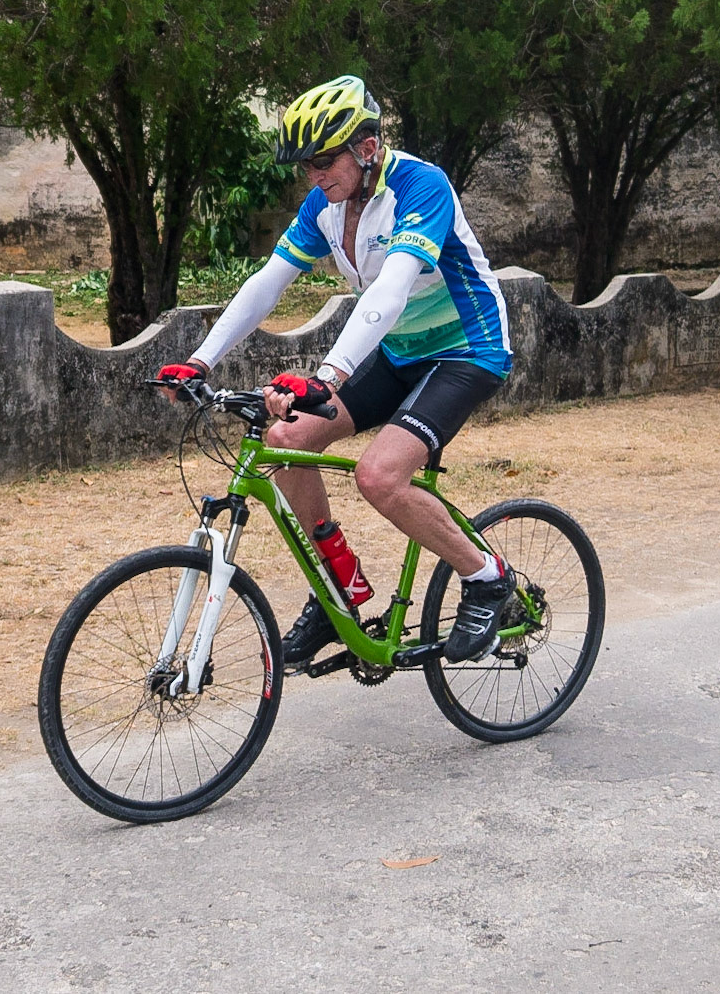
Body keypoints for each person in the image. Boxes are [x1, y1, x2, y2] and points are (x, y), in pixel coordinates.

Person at [156, 75, 515, 665]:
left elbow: (393, 288)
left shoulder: (421, 186)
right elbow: (266, 284)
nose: (314, 176)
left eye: (323, 161)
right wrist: (200, 360)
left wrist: (328, 376)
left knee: (379, 476)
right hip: (402, 354)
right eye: (306, 166)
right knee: (285, 438)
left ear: (366, 147)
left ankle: (485, 577)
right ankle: (338, 588)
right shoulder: (324, 206)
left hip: (467, 351)